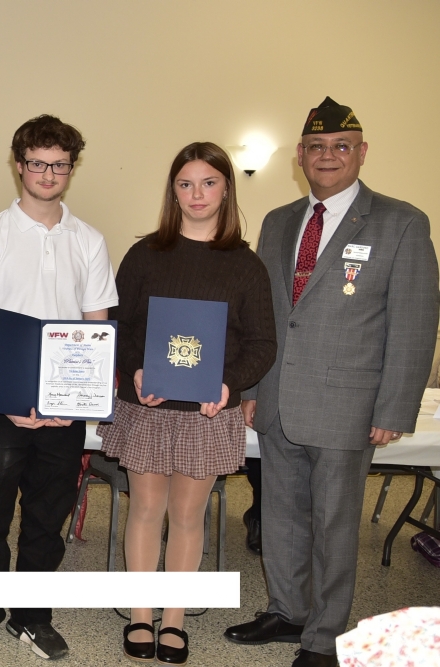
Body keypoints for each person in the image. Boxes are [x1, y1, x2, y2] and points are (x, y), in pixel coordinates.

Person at [223, 98, 439, 667]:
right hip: (277, 400)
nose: (327, 156)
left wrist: (394, 407)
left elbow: (415, 323)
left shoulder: (401, 222)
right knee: (281, 516)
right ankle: (288, 612)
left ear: (361, 153)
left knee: (334, 525)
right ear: (300, 156)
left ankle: (323, 636)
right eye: (316, 147)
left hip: (349, 406)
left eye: (340, 146)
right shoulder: (278, 221)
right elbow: (264, 316)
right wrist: (251, 390)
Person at [98, 142, 277, 664]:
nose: (197, 194)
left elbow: (262, 344)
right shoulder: (145, 254)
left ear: (226, 189)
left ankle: (173, 620)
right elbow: (118, 326)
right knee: (145, 509)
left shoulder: (246, 266)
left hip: (208, 413)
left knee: (188, 515)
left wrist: (228, 384)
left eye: (208, 182)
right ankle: (140, 615)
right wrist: (134, 370)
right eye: (185, 183)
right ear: (173, 191)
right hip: (148, 407)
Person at [0, 115, 118, 663]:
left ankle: (31, 616)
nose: (48, 174)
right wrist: (7, 398)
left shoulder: (89, 241)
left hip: (64, 410)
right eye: (38, 163)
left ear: (71, 168)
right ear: (19, 165)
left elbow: (96, 330)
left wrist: (77, 400)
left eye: (59, 165)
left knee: (48, 518)